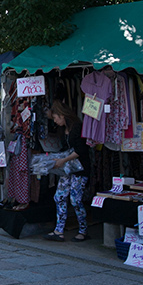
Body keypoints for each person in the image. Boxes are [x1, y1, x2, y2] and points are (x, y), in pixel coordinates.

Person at [44, 100, 92, 242]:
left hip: (80, 169)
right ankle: (59, 230)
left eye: (55, 117)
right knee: (59, 196)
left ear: (62, 115)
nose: (55, 121)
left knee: (75, 200)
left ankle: (83, 230)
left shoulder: (77, 127)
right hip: (68, 169)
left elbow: (81, 150)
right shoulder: (62, 130)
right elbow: (65, 149)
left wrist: (63, 160)